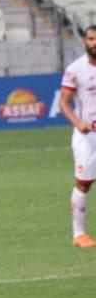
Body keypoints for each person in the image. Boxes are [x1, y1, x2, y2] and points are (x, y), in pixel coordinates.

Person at [59, 25, 96, 248]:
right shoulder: (75, 69)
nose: (94, 43)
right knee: (83, 183)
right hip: (86, 136)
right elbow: (63, 103)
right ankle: (79, 234)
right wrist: (78, 123)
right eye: (91, 39)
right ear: (84, 42)